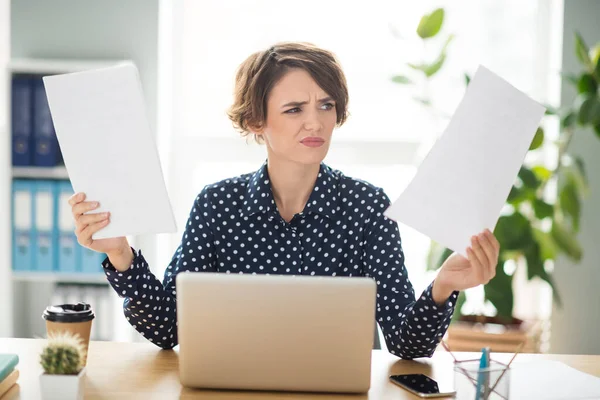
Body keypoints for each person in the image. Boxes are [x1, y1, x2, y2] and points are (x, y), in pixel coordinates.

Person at [68, 42, 499, 359]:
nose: (315, 121)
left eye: (326, 105)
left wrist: (443, 287)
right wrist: (122, 255)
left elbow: (406, 345)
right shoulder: (218, 205)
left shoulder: (368, 207)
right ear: (257, 121)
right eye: (294, 109)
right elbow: (167, 328)